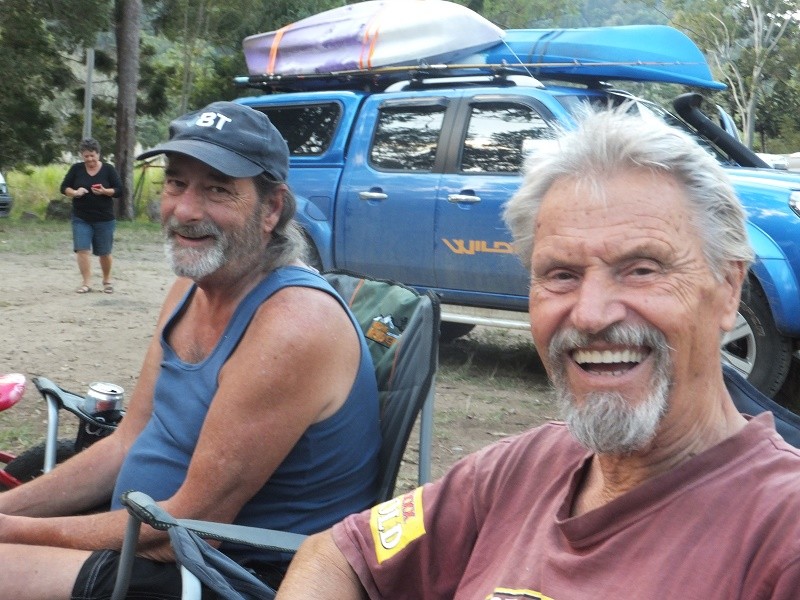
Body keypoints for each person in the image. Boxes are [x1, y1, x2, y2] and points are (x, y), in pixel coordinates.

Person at [275, 107, 800, 599]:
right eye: (561, 275)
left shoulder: (780, 534)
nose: (590, 315)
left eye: (642, 269)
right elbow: (339, 555)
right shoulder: (519, 470)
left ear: (728, 289)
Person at [0, 101, 381, 599]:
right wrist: (6, 513)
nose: (184, 210)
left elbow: (193, 524)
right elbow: (125, 443)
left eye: (218, 189)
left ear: (271, 209)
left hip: (223, 572)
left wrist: (12, 531)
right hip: (144, 538)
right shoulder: (189, 288)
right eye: (176, 183)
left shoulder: (293, 325)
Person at [60, 138, 123, 294]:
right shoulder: (76, 169)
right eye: (86, 156)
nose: (89, 159)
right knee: (82, 249)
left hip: (104, 218)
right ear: (82, 155)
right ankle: (86, 283)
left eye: (92, 155)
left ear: (98, 154)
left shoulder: (108, 169)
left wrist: (105, 191)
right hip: (81, 217)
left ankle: (107, 281)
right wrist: (75, 192)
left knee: (104, 252)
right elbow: (64, 187)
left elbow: (119, 190)